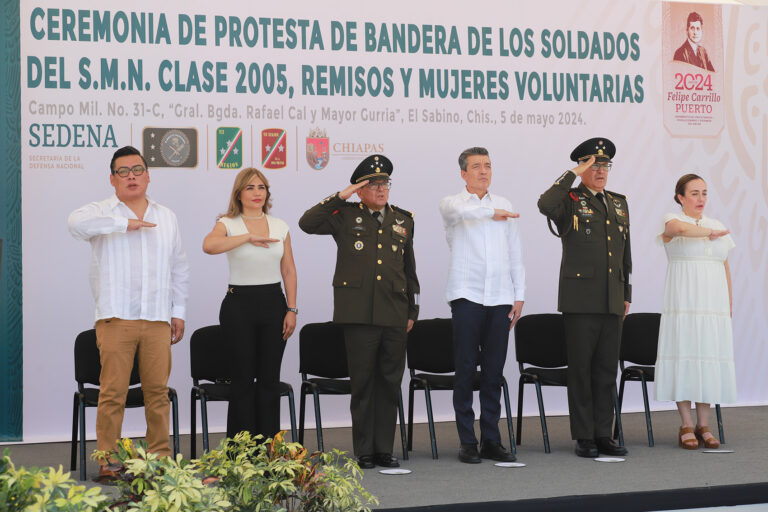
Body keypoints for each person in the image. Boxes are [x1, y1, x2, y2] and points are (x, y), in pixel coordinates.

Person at [68, 146, 189, 478]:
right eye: (123, 171)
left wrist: (177, 311)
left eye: (137, 169)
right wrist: (123, 223)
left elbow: (179, 267)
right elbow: (74, 224)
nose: (131, 175)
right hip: (116, 316)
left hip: (157, 318)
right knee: (112, 394)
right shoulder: (102, 212)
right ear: (112, 179)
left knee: (157, 394)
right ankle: (107, 462)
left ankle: (158, 459)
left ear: (148, 175)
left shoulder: (166, 216)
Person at [299, 154, 419, 469]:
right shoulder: (345, 214)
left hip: (395, 312)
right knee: (364, 383)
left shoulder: (404, 219)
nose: (381, 190)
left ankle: (383, 449)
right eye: (374, 184)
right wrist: (342, 194)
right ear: (361, 189)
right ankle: (365, 450)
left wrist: (413, 310)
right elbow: (306, 223)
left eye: (385, 184)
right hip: (358, 314)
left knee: (389, 383)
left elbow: (409, 269)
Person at [537, 138, 631, 458]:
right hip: (580, 301)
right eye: (595, 166)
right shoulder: (570, 199)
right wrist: (572, 174)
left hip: (612, 299)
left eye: (605, 165)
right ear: (583, 168)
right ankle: (584, 437)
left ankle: (604, 434)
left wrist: (626, 292)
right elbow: (545, 204)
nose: (601, 171)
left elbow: (624, 253)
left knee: (606, 371)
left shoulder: (619, 202)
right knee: (581, 371)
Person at [439, 147, 525, 464]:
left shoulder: (505, 205)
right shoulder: (452, 204)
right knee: (464, 370)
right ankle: (467, 441)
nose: (483, 171)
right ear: (463, 173)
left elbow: (515, 252)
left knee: (492, 373)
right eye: (476, 166)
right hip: (467, 296)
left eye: (488, 165)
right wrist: (490, 213)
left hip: (501, 297)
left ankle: (491, 439)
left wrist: (520, 294)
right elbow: (460, 215)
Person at [202, 168, 297, 440]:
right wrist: (246, 237)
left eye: (261, 187)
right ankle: (240, 453)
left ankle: (269, 449)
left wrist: (291, 308)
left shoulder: (280, 226)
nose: (257, 193)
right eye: (250, 188)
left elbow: (289, 270)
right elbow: (208, 246)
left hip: (273, 304)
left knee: (269, 380)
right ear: (239, 194)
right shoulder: (228, 222)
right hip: (239, 306)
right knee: (242, 380)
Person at [654, 174, 735, 450]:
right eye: (694, 193)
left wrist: (729, 306)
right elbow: (679, 230)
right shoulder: (672, 220)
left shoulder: (718, 225)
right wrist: (706, 233)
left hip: (713, 306)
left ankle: (704, 425)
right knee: (684, 357)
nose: (701, 199)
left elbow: (724, 265)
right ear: (680, 197)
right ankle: (686, 424)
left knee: (707, 360)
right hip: (684, 303)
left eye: (704, 193)